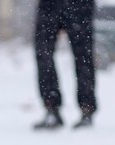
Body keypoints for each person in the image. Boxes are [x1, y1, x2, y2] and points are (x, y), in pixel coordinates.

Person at [34, 0, 97, 129]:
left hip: (80, 4)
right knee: (43, 52)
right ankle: (51, 107)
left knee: (83, 56)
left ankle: (87, 109)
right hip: (49, 5)